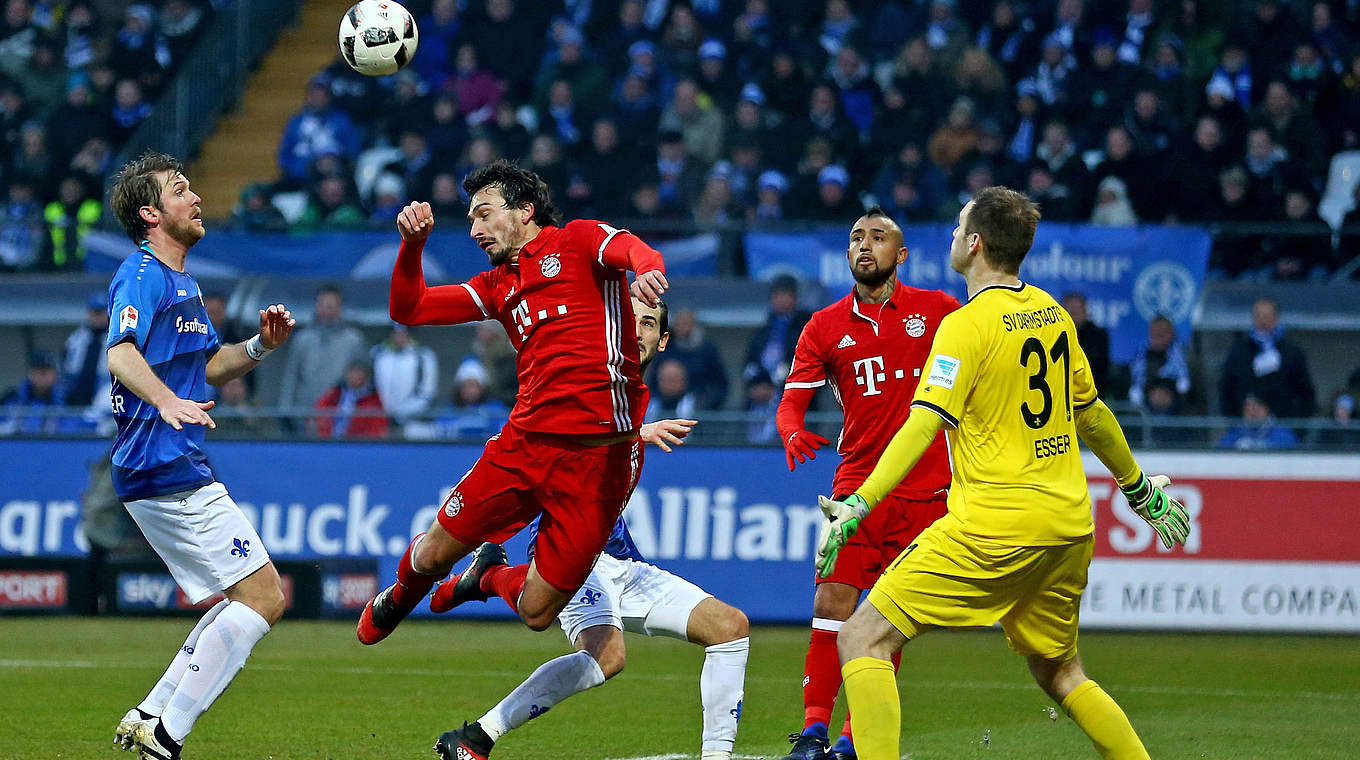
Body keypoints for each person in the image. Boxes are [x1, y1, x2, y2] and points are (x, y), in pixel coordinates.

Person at [818, 187, 1189, 760]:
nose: (950, 236)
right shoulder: (1051, 312)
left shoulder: (965, 326)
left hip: (992, 528)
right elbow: (1090, 412)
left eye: (957, 226)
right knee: (1060, 669)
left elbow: (921, 425)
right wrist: (1138, 488)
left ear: (975, 243)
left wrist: (860, 503)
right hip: (1067, 529)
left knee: (861, 638)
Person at [356, 161, 667, 657]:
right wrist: (413, 245)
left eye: (484, 214)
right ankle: (400, 596)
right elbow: (409, 309)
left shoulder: (580, 242)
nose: (475, 229)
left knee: (537, 612)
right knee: (433, 552)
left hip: (599, 465)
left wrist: (648, 269)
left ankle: (486, 576)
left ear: (525, 210)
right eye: (471, 219)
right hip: (524, 447)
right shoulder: (497, 285)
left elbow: (634, 249)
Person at [428, 297, 747, 760]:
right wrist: (634, 433)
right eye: (628, 319)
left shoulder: (634, 394)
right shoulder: (592, 370)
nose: (636, 330)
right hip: (571, 554)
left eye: (649, 324)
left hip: (621, 556)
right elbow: (563, 426)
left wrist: (637, 429)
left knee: (731, 628)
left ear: (663, 340)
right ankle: (478, 735)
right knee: (606, 655)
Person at [103, 152, 295, 760]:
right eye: (180, 189)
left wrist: (261, 346)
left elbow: (210, 366)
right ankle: (167, 735)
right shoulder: (142, 274)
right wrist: (164, 401)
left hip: (167, 463)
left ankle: (151, 714)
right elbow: (120, 353)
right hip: (161, 461)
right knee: (265, 597)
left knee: (242, 596)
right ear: (149, 213)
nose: (196, 197)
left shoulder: (183, 283)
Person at [775, 207, 960, 760]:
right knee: (831, 599)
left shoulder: (940, 312)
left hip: (925, 491)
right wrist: (790, 432)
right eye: (856, 237)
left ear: (900, 256)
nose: (865, 246)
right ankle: (811, 731)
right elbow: (792, 402)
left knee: (888, 617)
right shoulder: (825, 325)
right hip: (856, 489)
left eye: (878, 238)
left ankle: (855, 739)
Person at [277, 284, 367, 421]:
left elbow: (363, 380)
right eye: (323, 304)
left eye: (331, 305)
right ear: (317, 306)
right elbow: (291, 376)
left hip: (341, 415)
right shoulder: (303, 339)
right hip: (306, 414)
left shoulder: (353, 340)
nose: (327, 309)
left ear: (339, 308)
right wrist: (285, 410)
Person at [1219, 297, 1315, 420]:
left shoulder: (1292, 352)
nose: (1263, 321)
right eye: (1259, 316)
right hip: (1243, 427)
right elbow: (1227, 387)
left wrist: (1297, 428)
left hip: (1283, 426)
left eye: (1267, 316)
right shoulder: (1238, 351)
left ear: (1276, 318)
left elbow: (1305, 392)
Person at [746, 274, 812, 386]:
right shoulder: (765, 328)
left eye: (784, 296)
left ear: (794, 298)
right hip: (762, 386)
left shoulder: (806, 327)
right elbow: (750, 360)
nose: (780, 300)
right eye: (776, 296)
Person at [370, 322, 438, 424]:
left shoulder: (423, 356)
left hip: (414, 418)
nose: (399, 338)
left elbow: (427, 391)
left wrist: (403, 413)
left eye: (403, 334)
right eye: (395, 334)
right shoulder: (378, 354)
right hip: (381, 418)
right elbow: (371, 385)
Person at [313, 360, 389, 439]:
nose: (354, 376)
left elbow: (376, 427)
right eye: (351, 372)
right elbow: (319, 411)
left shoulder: (373, 399)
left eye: (358, 372)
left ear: (366, 376)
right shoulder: (334, 394)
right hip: (329, 441)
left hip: (357, 443)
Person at [63, 291, 111, 407]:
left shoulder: (116, 338)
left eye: (101, 312)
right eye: (95, 313)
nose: (98, 317)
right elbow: (67, 369)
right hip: (78, 390)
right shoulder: (75, 339)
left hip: (105, 390)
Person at [1061, 292, 1110, 395]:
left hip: (1092, 391)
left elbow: (1099, 368)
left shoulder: (1099, 335)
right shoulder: (1055, 334)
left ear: (1085, 312)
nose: (1073, 316)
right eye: (1069, 311)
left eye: (1076, 311)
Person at [1217, 394, 1299, 450]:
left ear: (1267, 409)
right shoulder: (1234, 434)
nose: (1253, 412)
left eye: (1257, 408)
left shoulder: (1283, 434)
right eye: (1248, 409)